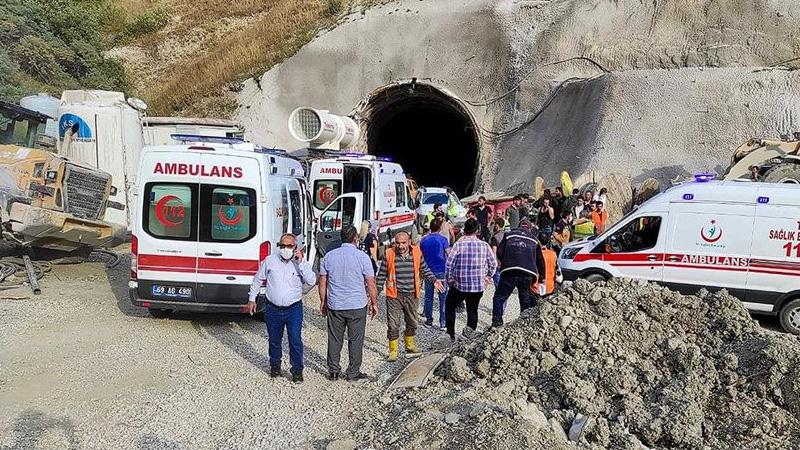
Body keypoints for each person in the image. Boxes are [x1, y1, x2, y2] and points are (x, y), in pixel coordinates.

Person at [246, 233, 316, 383]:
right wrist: (252, 298)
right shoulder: (270, 261)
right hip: (273, 308)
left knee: (295, 339)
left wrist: (301, 262)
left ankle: (297, 370)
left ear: (295, 247)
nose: (285, 248)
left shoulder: (301, 263)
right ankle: (275, 366)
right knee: (274, 339)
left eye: (289, 246)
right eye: (282, 245)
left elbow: (311, 280)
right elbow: (258, 279)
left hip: (293, 308)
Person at [319, 225, 378, 381]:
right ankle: (352, 372)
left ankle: (333, 371)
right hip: (357, 304)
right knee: (356, 340)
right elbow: (371, 283)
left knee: (334, 338)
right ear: (355, 239)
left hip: (335, 304)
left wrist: (323, 301)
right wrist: (374, 303)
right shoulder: (363, 257)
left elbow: (322, 282)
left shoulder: (328, 257)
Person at [375, 231, 443, 361]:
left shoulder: (417, 253)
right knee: (393, 324)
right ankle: (393, 350)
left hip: (412, 294)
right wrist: (376, 294)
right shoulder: (389, 254)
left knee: (412, 322)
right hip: (394, 295)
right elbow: (381, 275)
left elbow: (425, 269)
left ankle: (409, 345)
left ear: (409, 242)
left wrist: (434, 280)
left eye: (403, 243)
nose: (400, 246)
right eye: (397, 243)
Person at [444, 218, 497, 340]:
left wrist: (450, 279)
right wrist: (488, 277)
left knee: (450, 306)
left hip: (459, 285)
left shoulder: (458, 245)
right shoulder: (484, 245)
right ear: (477, 231)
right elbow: (493, 264)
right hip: (477, 286)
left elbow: (449, 264)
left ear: (464, 230)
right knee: (473, 310)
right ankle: (470, 335)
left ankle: (450, 333)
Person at [491, 219, 545, 327]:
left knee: (499, 297)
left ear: (519, 226)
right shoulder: (534, 240)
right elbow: (540, 260)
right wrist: (542, 278)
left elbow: (500, 252)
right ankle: (523, 322)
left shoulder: (509, 235)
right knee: (524, 297)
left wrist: (506, 261)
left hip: (509, 271)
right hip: (527, 273)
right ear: (530, 229)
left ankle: (497, 322)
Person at [419, 218, 450, 330]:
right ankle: (443, 323)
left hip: (428, 271)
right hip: (441, 270)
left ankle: (429, 320)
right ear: (440, 227)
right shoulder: (443, 240)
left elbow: (420, 256)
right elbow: (448, 254)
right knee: (443, 297)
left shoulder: (423, 240)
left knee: (428, 296)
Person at [531, 233, 562, 301]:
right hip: (549, 288)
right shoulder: (553, 254)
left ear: (538, 241)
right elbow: (559, 277)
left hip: (536, 288)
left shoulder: (534, 254)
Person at [489, 217, 506, 286]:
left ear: (497, 225)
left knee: (498, 285)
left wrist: (493, 264)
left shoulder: (495, 237)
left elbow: (494, 252)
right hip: (506, 263)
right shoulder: (507, 235)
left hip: (498, 263)